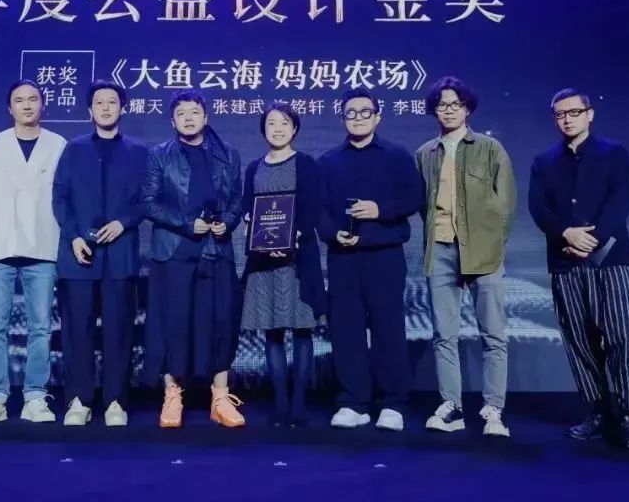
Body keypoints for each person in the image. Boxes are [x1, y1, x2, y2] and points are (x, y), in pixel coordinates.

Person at [528, 88, 629, 449]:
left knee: (621, 337)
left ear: (589, 114)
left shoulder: (613, 153)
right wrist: (566, 233)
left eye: (574, 112)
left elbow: (622, 201)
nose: (567, 119)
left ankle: (627, 417)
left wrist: (592, 239)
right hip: (564, 260)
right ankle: (596, 411)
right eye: (560, 114)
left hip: (610, 259)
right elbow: (538, 208)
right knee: (579, 339)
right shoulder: (544, 161)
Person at [415, 76, 516, 438]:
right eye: (442, 105)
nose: (448, 110)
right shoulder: (424, 153)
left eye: (455, 104)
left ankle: (494, 409)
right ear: (434, 110)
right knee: (444, 334)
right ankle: (452, 407)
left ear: (468, 109)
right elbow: (422, 205)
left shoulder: (490, 148)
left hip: (484, 253)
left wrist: (493, 245)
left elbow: (506, 205)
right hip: (441, 249)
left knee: (493, 334)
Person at [318, 89, 422, 431]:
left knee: (388, 328)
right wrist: (333, 234)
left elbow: (415, 198)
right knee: (345, 330)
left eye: (365, 112)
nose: (358, 118)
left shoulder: (397, 155)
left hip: (384, 255)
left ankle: (393, 402)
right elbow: (319, 210)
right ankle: (353, 402)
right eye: (351, 113)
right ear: (342, 119)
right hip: (343, 258)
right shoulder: (329, 161)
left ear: (378, 116)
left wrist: (381, 210)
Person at [141, 91, 245, 428]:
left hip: (216, 250)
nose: (188, 117)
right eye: (181, 113)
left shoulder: (229, 154)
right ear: (173, 122)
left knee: (220, 322)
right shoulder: (159, 155)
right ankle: (173, 395)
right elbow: (148, 202)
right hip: (174, 251)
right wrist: (187, 224)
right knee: (173, 324)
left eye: (194, 112)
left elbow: (237, 199)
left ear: (206, 117)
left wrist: (227, 222)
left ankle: (220, 398)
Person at [0, 80, 66, 425]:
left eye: (33, 99)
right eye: (19, 100)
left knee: (41, 328)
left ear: (43, 104)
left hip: (44, 246)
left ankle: (35, 396)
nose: (26, 105)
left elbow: (65, 197)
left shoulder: (58, 145)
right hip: (0, 245)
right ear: (9, 108)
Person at [52, 81, 147, 427]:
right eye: (99, 102)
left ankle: (116, 401)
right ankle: (79, 401)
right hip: (79, 256)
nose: (106, 107)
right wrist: (74, 237)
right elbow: (60, 197)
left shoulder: (139, 152)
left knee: (119, 332)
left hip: (120, 256)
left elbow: (149, 200)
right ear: (89, 110)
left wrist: (124, 222)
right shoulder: (74, 149)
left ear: (123, 108)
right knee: (76, 331)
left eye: (112, 102)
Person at [239, 103, 327, 427]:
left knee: (302, 332)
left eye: (284, 123)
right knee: (272, 333)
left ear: (295, 129)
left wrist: (290, 239)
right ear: (263, 130)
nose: (277, 129)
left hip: (297, 261)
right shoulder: (254, 168)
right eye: (271, 123)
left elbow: (312, 208)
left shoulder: (305, 164)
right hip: (263, 263)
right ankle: (280, 404)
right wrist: (250, 224)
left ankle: (299, 405)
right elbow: (248, 208)